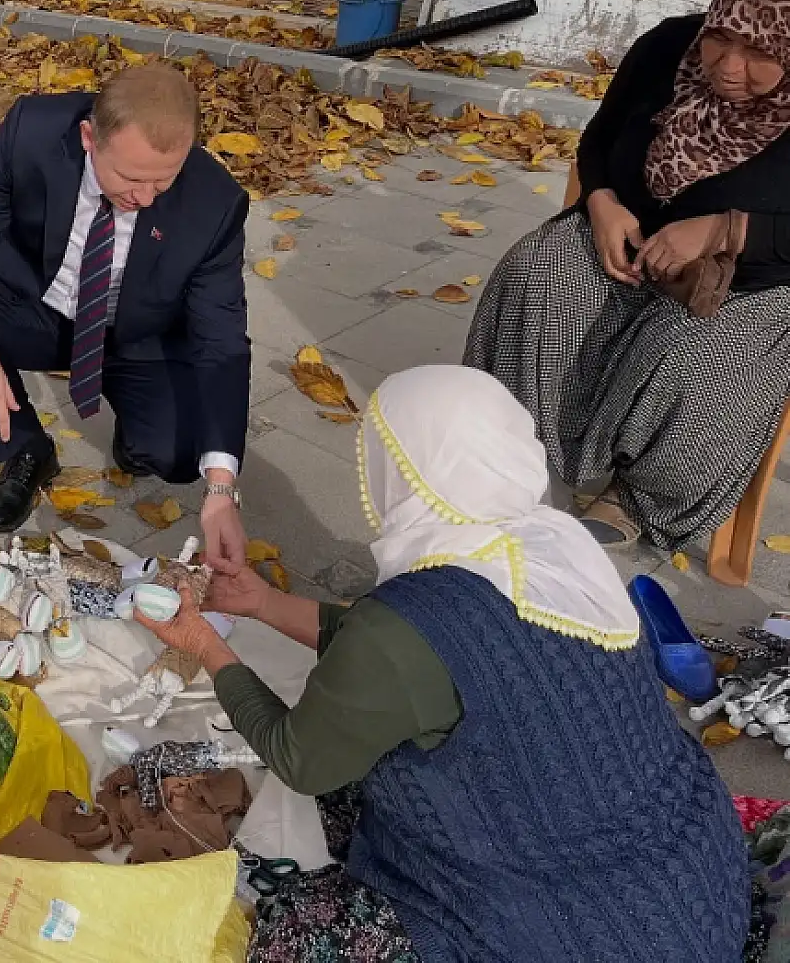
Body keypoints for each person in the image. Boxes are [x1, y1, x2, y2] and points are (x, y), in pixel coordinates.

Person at [138, 365, 750, 962]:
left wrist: (203, 643)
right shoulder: (560, 549)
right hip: (699, 883)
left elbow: (300, 759)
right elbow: (403, 653)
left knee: (290, 936)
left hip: (578, 931)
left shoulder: (410, 618)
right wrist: (262, 603)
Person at [466, 0, 790, 550]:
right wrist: (600, 201)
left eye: (760, 54)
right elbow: (600, 138)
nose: (728, 66)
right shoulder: (668, 45)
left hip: (752, 277)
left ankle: (638, 499)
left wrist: (724, 231)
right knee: (539, 274)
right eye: (721, 37)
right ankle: (526, 455)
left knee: (701, 355)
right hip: (627, 234)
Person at [0, 63, 253, 565]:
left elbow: (222, 338)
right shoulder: (32, 131)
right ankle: (25, 449)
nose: (144, 198)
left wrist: (222, 489)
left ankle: (136, 436)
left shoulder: (216, 204)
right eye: (131, 178)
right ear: (89, 137)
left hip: (136, 336)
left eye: (164, 181)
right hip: (33, 308)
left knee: (180, 454)